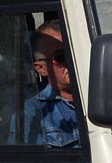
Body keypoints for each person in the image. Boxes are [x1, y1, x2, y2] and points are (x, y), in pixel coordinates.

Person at [21, 19, 80, 148]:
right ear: (41, 68)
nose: (72, 61)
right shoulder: (33, 114)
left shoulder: (108, 101)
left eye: (76, 53)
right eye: (61, 56)